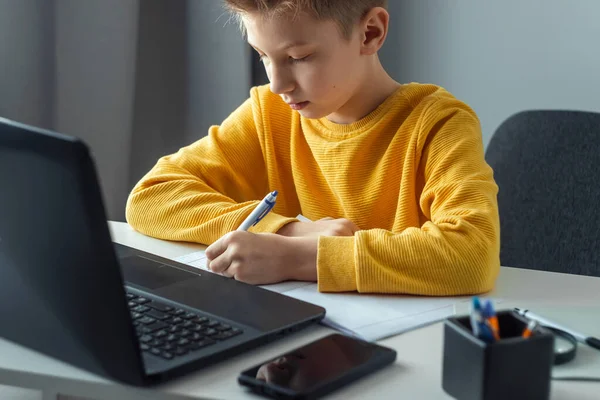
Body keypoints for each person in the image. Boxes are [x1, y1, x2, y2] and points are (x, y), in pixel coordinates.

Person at [126, 0, 500, 295]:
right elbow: (151, 196)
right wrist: (287, 232)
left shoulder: (438, 123)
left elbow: (472, 253)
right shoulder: (270, 113)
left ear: (370, 33)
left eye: (298, 58)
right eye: (262, 55)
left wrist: (298, 259)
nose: (277, 83)